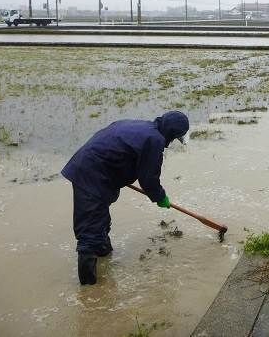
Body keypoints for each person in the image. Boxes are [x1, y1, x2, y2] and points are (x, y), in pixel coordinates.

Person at [62, 110, 190, 285]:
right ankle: (88, 295)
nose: (171, 142)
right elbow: (148, 179)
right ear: (171, 133)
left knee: (100, 223)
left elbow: (117, 151)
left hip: (91, 169)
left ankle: (104, 267)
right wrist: (160, 197)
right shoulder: (154, 140)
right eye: (175, 138)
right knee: (90, 234)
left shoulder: (142, 127)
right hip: (92, 175)